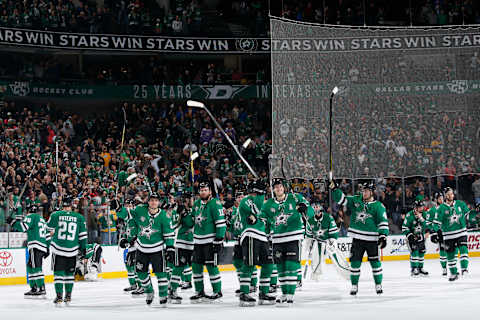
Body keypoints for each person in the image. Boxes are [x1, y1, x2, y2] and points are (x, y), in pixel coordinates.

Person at [260, 178, 313, 306]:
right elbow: (263, 220)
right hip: (277, 238)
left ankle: (290, 295)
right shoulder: (268, 204)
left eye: (280, 186)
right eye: (276, 187)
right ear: (273, 189)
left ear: (284, 187)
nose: (278, 189)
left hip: (293, 237)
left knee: (291, 266)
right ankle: (284, 294)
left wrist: (304, 208)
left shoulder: (295, 198)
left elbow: (310, 211)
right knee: (281, 268)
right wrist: (264, 233)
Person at [331, 180, 388, 296]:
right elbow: (341, 199)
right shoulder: (356, 200)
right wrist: (334, 189)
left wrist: (383, 235)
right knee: (355, 264)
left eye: (367, 191)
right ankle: (354, 286)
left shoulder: (378, 206)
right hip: (357, 239)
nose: (364, 193)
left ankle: (378, 284)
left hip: (372, 239)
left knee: (375, 264)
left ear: (372, 192)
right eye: (363, 191)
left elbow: (383, 221)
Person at [120, 192, 176, 306]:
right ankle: (149, 291)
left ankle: (163, 295)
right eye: (151, 200)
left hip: (157, 249)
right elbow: (128, 215)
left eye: (156, 200)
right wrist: (118, 208)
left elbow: (169, 234)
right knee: (140, 274)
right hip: (142, 249)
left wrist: (170, 248)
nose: (153, 202)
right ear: (148, 201)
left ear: (158, 202)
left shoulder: (164, 216)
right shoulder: (141, 209)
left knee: (161, 274)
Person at [186, 180, 226, 302]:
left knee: (211, 266)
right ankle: (199, 291)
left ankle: (217, 291)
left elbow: (220, 223)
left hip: (210, 241)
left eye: (205, 190)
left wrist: (219, 239)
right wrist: (184, 214)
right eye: (201, 190)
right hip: (198, 242)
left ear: (209, 191)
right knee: (196, 266)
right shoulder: (197, 203)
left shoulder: (215, 204)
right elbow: (190, 222)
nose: (203, 192)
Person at [237, 180, 276, 306]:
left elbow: (268, 216)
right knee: (249, 264)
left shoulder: (262, 201)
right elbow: (258, 210)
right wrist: (261, 194)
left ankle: (263, 292)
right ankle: (244, 293)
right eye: (256, 190)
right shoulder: (245, 201)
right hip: (250, 234)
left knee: (268, 264)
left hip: (263, 237)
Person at [47, 196, 88, 305]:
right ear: (71, 206)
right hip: (73, 249)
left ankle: (59, 296)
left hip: (58, 249)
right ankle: (68, 296)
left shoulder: (55, 215)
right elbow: (83, 236)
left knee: (58, 274)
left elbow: (47, 229)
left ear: (62, 206)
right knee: (69, 274)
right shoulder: (79, 217)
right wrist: (83, 249)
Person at [8, 204, 50, 298]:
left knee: (36, 267)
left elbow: (23, 227)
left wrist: (12, 222)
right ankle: (34, 287)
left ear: (28, 211)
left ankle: (41, 288)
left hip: (35, 245)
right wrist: (47, 248)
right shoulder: (42, 219)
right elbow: (47, 235)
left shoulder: (30, 216)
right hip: (41, 246)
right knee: (30, 265)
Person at [431, 187, 470, 281]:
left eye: (451, 193)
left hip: (461, 232)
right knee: (450, 255)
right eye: (448, 194)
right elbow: (435, 223)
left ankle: (464, 269)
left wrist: (476, 212)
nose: (450, 195)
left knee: (463, 249)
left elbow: (469, 215)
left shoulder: (460, 204)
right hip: (448, 235)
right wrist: (436, 233)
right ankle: (453, 273)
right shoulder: (441, 208)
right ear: (445, 196)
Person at [168, 194, 194, 304]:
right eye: (189, 199)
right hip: (182, 243)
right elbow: (175, 225)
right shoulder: (179, 211)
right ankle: (172, 290)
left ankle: (199, 290)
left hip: (195, 242)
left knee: (196, 268)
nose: (192, 201)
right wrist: (181, 214)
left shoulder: (196, 209)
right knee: (178, 267)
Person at [304, 200, 339, 280]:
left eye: (317, 207)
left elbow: (334, 231)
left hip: (329, 240)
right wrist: (309, 244)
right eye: (314, 207)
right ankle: (316, 273)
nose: (316, 209)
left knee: (336, 256)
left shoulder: (328, 217)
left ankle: (345, 271)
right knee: (316, 257)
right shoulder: (310, 220)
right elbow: (309, 236)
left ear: (321, 208)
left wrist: (332, 240)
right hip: (318, 241)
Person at [117, 199, 141, 293]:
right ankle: (133, 285)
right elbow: (128, 233)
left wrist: (134, 240)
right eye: (126, 205)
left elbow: (141, 230)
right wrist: (124, 240)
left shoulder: (136, 217)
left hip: (138, 246)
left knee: (136, 266)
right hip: (131, 247)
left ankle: (141, 286)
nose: (128, 207)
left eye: (129, 205)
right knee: (129, 265)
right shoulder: (127, 220)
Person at [402, 200, 429, 277]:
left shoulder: (424, 214)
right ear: (415, 208)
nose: (421, 208)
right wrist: (410, 235)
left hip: (421, 236)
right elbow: (404, 227)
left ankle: (420, 268)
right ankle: (414, 268)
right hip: (412, 237)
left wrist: (421, 218)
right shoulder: (409, 215)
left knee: (421, 252)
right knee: (414, 252)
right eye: (420, 207)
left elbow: (427, 225)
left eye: (422, 207)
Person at [426, 193, 447, 276]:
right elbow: (428, 223)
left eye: (442, 198)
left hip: (449, 232)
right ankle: (444, 268)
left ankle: (453, 267)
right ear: (436, 200)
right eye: (439, 198)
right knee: (442, 249)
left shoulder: (447, 208)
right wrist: (433, 233)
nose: (441, 200)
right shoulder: (431, 211)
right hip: (440, 233)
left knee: (452, 250)